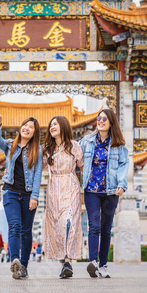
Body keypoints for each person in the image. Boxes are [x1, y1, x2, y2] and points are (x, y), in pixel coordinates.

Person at [0, 110, 43, 279]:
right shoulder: (10, 145)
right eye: (25, 125)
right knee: (14, 226)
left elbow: (37, 174)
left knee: (26, 231)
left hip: (28, 194)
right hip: (11, 192)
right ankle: (15, 261)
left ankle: (24, 265)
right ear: (21, 127)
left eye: (31, 127)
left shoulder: (38, 150)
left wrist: (35, 196)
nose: (27, 128)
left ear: (35, 133)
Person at [80, 109, 129, 279]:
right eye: (98, 118)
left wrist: (122, 185)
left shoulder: (119, 144)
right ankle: (93, 262)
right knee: (94, 226)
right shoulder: (87, 141)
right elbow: (74, 155)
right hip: (91, 190)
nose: (100, 121)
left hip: (110, 191)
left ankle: (103, 265)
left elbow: (124, 164)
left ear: (111, 122)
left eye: (104, 119)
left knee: (106, 228)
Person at [43, 116, 84, 279]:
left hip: (70, 184)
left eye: (55, 124)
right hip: (54, 188)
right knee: (56, 225)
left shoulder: (75, 146)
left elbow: (83, 166)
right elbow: (35, 167)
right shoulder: (47, 149)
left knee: (69, 221)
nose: (52, 127)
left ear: (64, 126)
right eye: (50, 124)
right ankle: (64, 263)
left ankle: (68, 260)